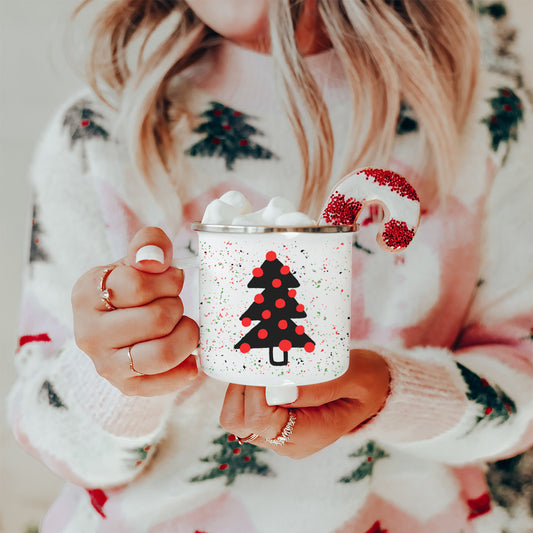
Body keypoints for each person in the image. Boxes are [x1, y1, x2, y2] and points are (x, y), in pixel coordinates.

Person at [7, 0, 533, 531]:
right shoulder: (98, 135)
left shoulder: (489, 123)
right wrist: (116, 382)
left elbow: (524, 391)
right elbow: (50, 436)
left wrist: (390, 394)